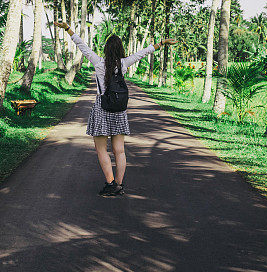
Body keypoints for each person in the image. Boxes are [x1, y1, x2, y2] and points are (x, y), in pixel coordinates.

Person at [53, 20, 176, 197]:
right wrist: (163, 43)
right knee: (119, 150)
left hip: (102, 109)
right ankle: (118, 184)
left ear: (106, 49)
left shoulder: (98, 63)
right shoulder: (124, 64)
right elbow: (144, 52)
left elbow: (82, 45)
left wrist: (67, 29)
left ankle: (111, 183)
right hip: (119, 111)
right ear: (120, 50)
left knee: (101, 149)